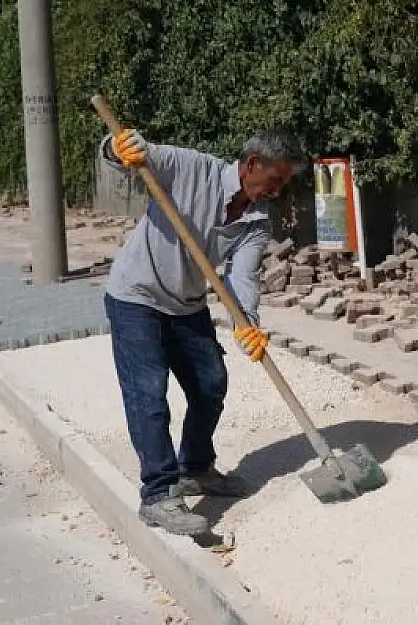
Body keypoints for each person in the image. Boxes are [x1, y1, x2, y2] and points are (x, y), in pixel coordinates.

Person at [100, 126, 307, 536]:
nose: (278, 191)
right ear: (251, 165)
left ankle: (195, 467)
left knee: (211, 383)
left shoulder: (257, 221)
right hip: (136, 296)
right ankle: (159, 495)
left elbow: (242, 278)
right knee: (149, 394)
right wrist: (116, 147)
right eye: (275, 180)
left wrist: (246, 322)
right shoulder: (192, 167)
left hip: (186, 304)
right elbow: (135, 156)